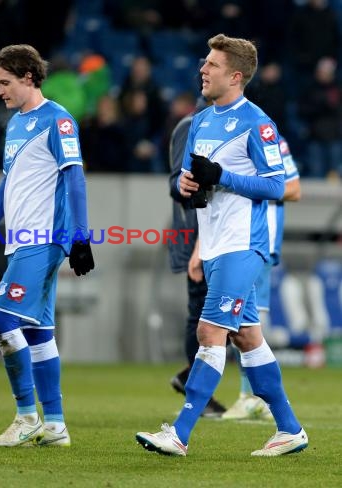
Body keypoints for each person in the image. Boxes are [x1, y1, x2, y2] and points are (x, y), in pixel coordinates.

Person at [136, 33, 308, 457]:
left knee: (209, 331)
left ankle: (178, 434)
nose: (202, 70)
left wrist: (223, 178)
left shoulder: (258, 123)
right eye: (203, 63)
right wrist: (188, 183)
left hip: (243, 244)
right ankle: (290, 429)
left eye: (211, 65)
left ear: (235, 76)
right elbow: (189, 179)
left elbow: (278, 186)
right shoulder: (202, 120)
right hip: (211, 243)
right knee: (248, 338)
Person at [0, 44, 94, 447]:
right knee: (39, 333)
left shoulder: (58, 120)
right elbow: (10, 182)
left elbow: (75, 179)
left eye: (5, 83)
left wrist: (81, 236)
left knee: (2, 321)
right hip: (18, 241)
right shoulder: (16, 125)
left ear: (28, 77)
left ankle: (26, 416)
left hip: (43, 239)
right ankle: (55, 425)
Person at [223, 136, 301, 420]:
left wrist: (244, 185)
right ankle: (258, 398)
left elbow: (293, 189)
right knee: (242, 323)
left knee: (244, 324)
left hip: (258, 242)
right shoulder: (228, 139)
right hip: (231, 240)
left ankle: (253, 396)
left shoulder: (273, 142)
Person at [167, 95, 226, 418]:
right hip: (196, 235)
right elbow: (176, 183)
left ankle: (191, 380)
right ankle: (197, 392)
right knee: (202, 314)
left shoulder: (231, 125)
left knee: (228, 319)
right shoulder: (190, 126)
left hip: (225, 234)